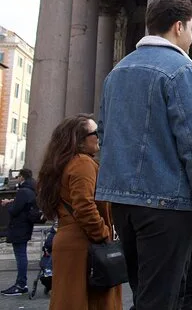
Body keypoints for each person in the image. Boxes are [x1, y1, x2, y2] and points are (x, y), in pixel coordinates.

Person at [96, 0, 192, 309]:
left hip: (123, 205)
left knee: (144, 295)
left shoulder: (117, 72)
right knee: (162, 300)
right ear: (178, 26)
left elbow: (105, 137)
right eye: (191, 29)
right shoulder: (182, 70)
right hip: (167, 204)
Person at [35, 114, 122, 309]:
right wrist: (104, 234)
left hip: (70, 241)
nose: (99, 136)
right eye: (95, 133)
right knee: (91, 301)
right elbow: (84, 206)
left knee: (70, 300)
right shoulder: (82, 163)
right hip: (85, 244)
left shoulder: (63, 164)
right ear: (79, 139)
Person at [0, 168, 38, 296]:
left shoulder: (23, 191)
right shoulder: (32, 190)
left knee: (20, 256)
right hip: (26, 227)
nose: (17, 179)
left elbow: (15, 210)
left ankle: (21, 284)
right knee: (22, 255)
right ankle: (22, 283)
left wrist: (8, 204)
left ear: (22, 177)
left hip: (19, 227)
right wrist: (13, 201)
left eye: (18, 177)